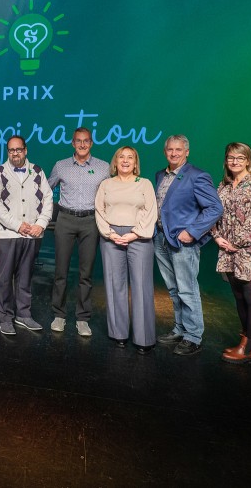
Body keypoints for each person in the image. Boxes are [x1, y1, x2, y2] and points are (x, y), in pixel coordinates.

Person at [154, 135, 223, 357]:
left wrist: (192, 232)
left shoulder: (197, 175)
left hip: (182, 241)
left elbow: (214, 208)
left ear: (187, 152)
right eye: (170, 150)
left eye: (178, 150)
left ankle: (193, 336)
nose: (173, 153)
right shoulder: (160, 175)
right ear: (165, 151)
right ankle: (180, 328)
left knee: (187, 289)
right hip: (160, 238)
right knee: (174, 289)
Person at [210, 143, 251, 364]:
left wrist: (235, 243)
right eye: (230, 157)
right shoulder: (223, 186)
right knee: (238, 296)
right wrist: (217, 238)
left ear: (248, 160)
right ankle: (246, 340)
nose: (234, 161)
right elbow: (213, 215)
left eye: (239, 157)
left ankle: (248, 347)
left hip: (248, 251)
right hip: (226, 249)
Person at [0, 135, 53, 336]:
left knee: (25, 277)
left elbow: (48, 199)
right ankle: (5, 318)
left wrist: (40, 224)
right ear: (8, 152)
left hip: (32, 235)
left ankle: (24, 315)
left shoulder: (38, 171)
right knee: (5, 278)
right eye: (11, 150)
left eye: (18, 149)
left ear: (25, 150)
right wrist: (17, 225)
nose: (15, 153)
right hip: (8, 234)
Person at [94, 147, 158, 353]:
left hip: (139, 237)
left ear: (136, 162)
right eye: (122, 157)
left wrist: (135, 234)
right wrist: (110, 234)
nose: (125, 160)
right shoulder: (106, 184)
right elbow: (99, 210)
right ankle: (118, 334)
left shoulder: (145, 184)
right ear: (115, 161)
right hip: (111, 237)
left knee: (141, 286)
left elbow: (151, 212)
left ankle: (144, 339)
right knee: (115, 286)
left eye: (130, 157)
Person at [47, 127, 110, 337]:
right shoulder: (61, 166)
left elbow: (111, 194)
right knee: (61, 272)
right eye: (78, 141)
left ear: (91, 143)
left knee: (86, 273)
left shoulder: (103, 167)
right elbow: (47, 190)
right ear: (73, 143)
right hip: (65, 219)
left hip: (91, 221)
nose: (82, 145)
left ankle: (83, 318)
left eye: (86, 141)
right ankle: (59, 315)